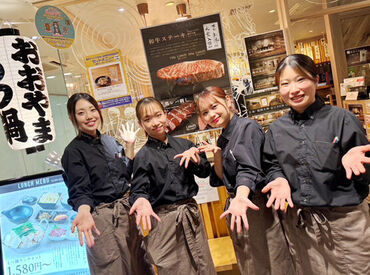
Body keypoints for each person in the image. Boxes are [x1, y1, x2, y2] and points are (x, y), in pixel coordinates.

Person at [263, 54, 370, 274]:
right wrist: (279, 178)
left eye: (301, 79)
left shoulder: (342, 119)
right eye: (285, 84)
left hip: (346, 223)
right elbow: (271, 164)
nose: (294, 89)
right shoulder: (276, 129)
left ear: (315, 79)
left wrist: (357, 163)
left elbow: (366, 172)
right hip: (302, 227)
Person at [195, 86, 295, 275]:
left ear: (229, 101)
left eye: (214, 106)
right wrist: (217, 155)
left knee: (271, 262)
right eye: (205, 113)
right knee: (250, 261)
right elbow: (222, 179)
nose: (211, 115)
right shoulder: (223, 138)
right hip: (237, 204)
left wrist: (240, 197)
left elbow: (248, 168)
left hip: (255, 204)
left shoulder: (247, 127)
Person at [61, 93, 153, 275]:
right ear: (73, 118)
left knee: (139, 265)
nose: (89, 116)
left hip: (126, 214)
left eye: (92, 110)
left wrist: (129, 146)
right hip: (100, 219)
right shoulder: (73, 152)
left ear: (98, 111)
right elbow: (79, 189)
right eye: (81, 113)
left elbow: (125, 173)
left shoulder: (110, 142)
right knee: (112, 268)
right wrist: (84, 211)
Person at [129, 97, 216, 275]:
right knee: (174, 269)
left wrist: (198, 159)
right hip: (164, 222)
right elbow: (138, 190)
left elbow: (204, 172)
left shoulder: (184, 145)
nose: (155, 122)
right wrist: (140, 200)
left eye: (158, 115)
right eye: (147, 119)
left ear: (166, 114)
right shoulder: (143, 156)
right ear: (140, 124)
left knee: (203, 266)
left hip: (190, 215)